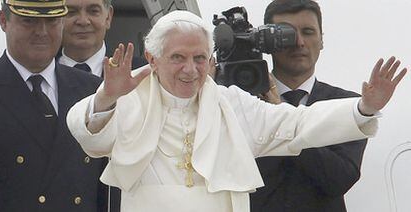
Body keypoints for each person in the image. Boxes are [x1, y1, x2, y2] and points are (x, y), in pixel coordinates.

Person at [66, 10, 406, 212]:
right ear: (153, 59)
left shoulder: (231, 103)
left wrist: (363, 108)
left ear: (211, 61)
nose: (190, 69)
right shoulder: (129, 99)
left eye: (199, 58)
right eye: (178, 58)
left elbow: (296, 125)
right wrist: (106, 96)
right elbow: (89, 136)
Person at [250, 1, 375, 211]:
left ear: (321, 40)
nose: (299, 42)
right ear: (268, 43)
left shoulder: (346, 106)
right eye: (287, 34)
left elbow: (339, 179)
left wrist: (281, 111)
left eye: (308, 32)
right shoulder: (243, 103)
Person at [0, 0, 111, 211]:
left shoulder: (94, 91)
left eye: (51, 21)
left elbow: (106, 188)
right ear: (4, 21)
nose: (42, 32)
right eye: (29, 21)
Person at [58, 0, 146, 76]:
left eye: (93, 11)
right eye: (71, 12)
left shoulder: (140, 72)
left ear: (108, 17)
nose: (83, 21)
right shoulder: (45, 71)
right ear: (56, 18)